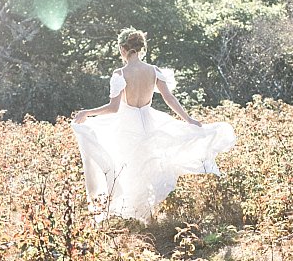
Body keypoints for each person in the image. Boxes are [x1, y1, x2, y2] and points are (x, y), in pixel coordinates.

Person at [71, 27, 235, 222]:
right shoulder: (153, 71)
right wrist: (188, 119)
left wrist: (87, 112)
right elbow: (169, 98)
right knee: (147, 168)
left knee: (129, 168)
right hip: (149, 123)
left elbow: (113, 108)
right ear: (141, 48)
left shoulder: (120, 74)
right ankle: (148, 218)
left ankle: (140, 218)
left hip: (127, 126)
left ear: (123, 49)